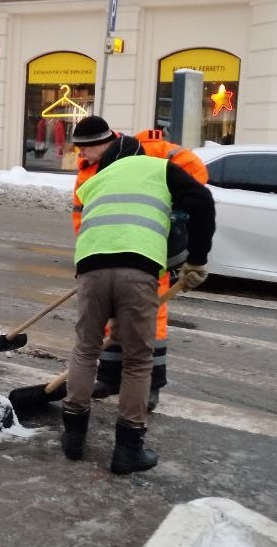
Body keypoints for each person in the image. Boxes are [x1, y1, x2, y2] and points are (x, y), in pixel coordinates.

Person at [61, 115, 214, 475]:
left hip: (90, 266)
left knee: (85, 349)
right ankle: (127, 449)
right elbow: (201, 202)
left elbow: (87, 222)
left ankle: (73, 439)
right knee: (137, 359)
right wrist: (196, 260)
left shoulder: (95, 180)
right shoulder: (160, 168)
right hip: (139, 268)